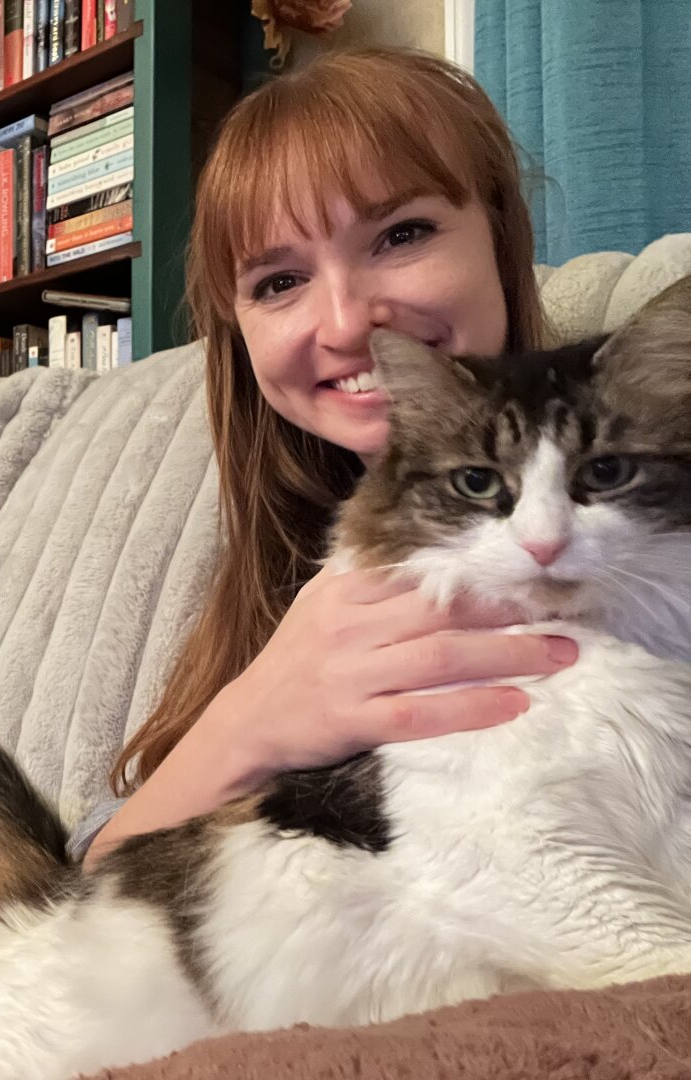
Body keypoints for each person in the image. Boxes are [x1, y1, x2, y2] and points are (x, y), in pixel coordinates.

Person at [81, 48, 580, 866]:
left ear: (502, 237)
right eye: (279, 282)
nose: (349, 323)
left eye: (401, 234)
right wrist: (250, 720)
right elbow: (94, 875)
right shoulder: (281, 576)